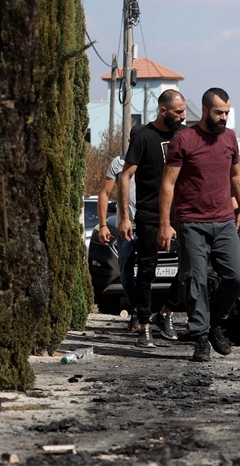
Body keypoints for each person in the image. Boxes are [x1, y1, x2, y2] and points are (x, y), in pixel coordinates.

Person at [157, 87, 240, 362]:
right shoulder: (183, 140)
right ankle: (200, 338)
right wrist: (165, 223)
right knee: (195, 282)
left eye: (227, 113)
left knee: (236, 277)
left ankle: (215, 323)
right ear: (206, 110)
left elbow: (236, 176)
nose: (224, 118)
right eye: (219, 113)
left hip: (224, 221)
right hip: (192, 223)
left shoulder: (230, 138)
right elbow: (168, 184)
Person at [118, 89, 187, 348]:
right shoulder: (144, 136)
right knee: (147, 271)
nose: (183, 116)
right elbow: (125, 176)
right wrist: (124, 218)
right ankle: (144, 325)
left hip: (181, 213)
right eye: (178, 112)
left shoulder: (184, 136)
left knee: (191, 267)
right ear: (163, 111)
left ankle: (166, 312)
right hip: (149, 214)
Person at [97, 124, 144, 332]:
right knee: (125, 273)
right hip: (126, 227)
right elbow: (104, 193)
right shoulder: (119, 162)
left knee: (148, 272)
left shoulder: (154, 161)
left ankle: (144, 314)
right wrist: (103, 225)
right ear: (131, 142)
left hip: (149, 225)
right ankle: (136, 310)